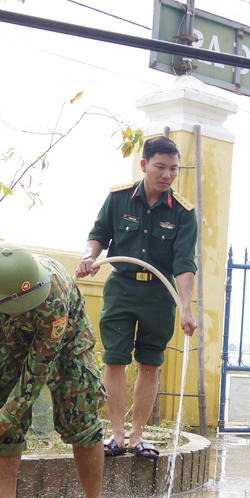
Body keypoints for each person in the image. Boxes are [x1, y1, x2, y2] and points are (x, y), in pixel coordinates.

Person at [0, 241, 114, 498]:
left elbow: (35, 373)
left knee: (79, 414)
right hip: (5, 343)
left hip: (65, 342)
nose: (16, 313)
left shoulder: (54, 296)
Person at [76, 136, 198, 460]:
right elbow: (99, 235)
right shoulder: (118, 199)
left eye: (174, 169)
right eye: (160, 167)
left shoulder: (184, 213)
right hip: (121, 288)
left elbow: (185, 264)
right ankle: (116, 434)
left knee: (150, 364)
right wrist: (89, 256)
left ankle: (137, 436)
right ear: (144, 165)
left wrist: (186, 308)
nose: (167, 175)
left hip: (159, 295)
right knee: (114, 359)